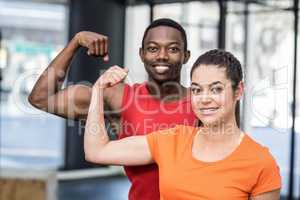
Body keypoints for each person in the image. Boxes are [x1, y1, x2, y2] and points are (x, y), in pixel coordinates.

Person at [28, 18, 197, 200]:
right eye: (153, 48)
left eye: (173, 49)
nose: (162, 55)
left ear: (185, 56)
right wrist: (76, 42)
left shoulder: (203, 103)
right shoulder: (118, 98)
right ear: (142, 54)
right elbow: (41, 99)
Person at [84, 49, 281, 200]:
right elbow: (97, 151)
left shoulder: (261, 163)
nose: (204, 99)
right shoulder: (173, 140)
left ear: (238, 91)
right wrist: (98, 90)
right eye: (196, 90)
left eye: (216, 89)